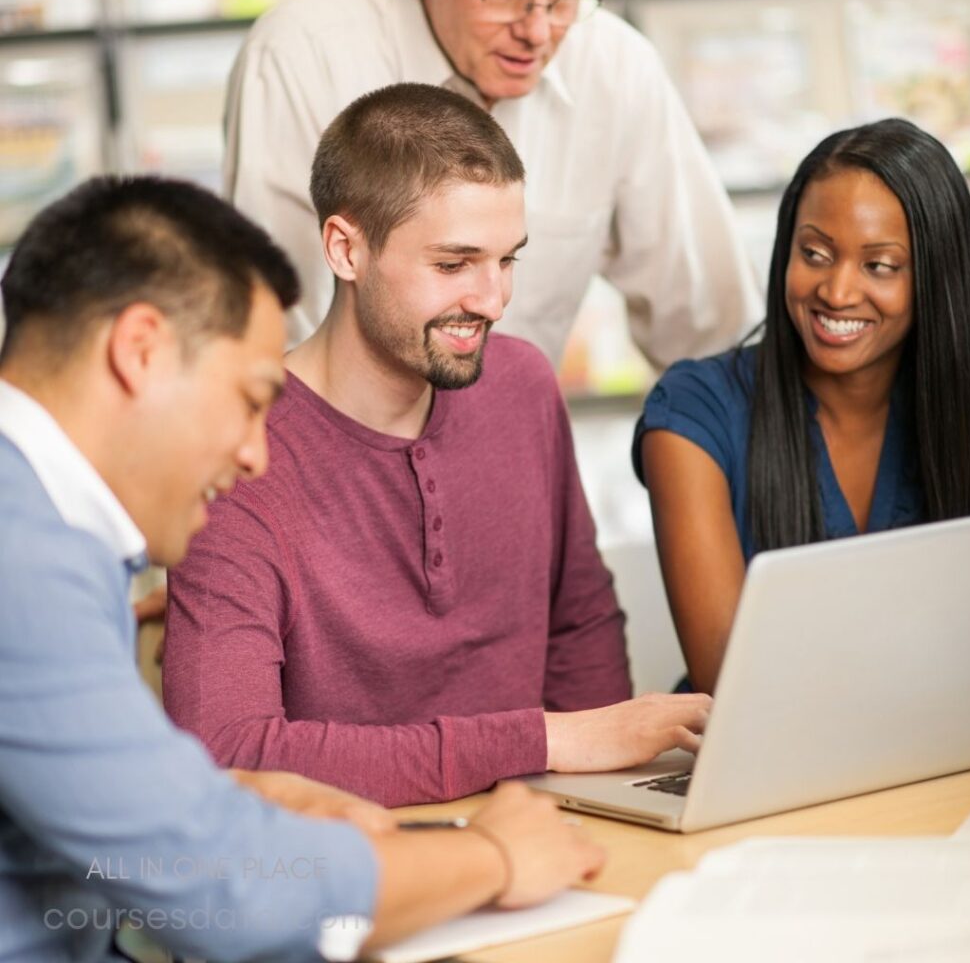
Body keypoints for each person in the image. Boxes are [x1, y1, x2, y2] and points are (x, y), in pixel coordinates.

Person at [0, 174, 604, 963]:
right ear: (139, 351)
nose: (255, 453)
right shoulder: (26, 562)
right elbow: (228, 898)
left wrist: (230, 798)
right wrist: (493, 857)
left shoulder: (53, 524)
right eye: (249, 401)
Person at [164, 82, 711, 808]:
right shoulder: (235, 453)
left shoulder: (520, 386)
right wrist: (547, 741)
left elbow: (578, 621)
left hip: (543, 834)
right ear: (345, 249)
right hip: (357, 871)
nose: (492, 300)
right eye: (453, 265)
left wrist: (605, 805)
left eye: (507, 259)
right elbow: (228, 755)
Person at [223, 0, 762, 364]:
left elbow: (708, 331)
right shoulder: (299, 58)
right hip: (336, 465)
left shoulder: (616, 69)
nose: (538, 30)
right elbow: (272, 337)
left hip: (509, 458)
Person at [633, 117, 970, 694]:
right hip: (761, 765)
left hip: (942, 746)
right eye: (814, 253)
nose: (837, 292)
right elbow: (736, 692)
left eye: (879, 266)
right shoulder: (695, 414)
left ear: (936, 276)